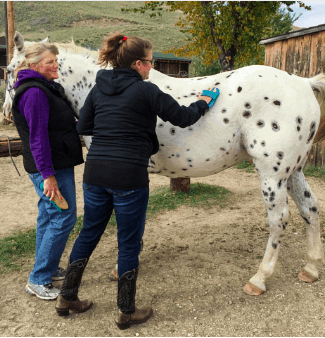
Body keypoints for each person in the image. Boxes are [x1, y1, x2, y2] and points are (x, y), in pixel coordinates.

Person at [55, 33, 214, 329]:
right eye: (151, 62)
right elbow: (182, 117)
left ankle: (67, 297)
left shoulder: (98, 89)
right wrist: (204, 102)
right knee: (128, 244)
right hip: (129, 175)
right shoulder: (146, 90)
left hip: (95, 173)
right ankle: (126, 311)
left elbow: (83, 125)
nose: (152, 68)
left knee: (89, 233)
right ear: (139, 64)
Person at [12, 42, 84, 300]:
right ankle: (38, 280)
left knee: (48, 216)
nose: (56, 65)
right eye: (50, 62)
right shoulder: (35, 94)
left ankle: (48, 269)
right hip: (51, 167)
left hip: (55, 164)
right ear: (34, 66)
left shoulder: (44, 88)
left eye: (56, 60)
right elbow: (38, 137)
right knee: (64, 217)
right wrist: (48, 176)